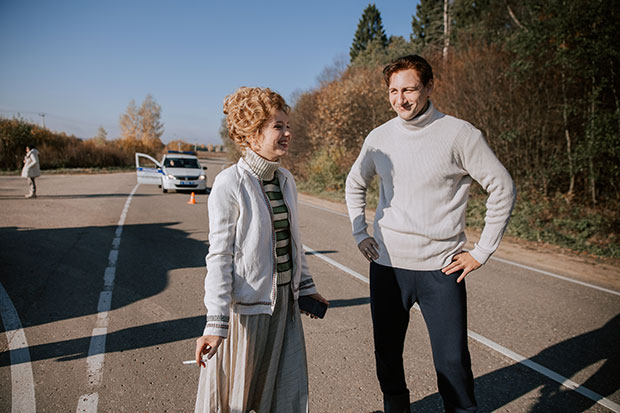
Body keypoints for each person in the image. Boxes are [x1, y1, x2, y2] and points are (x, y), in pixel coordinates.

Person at [345, 55, 516, 413]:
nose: (400, 99)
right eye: (393, 91)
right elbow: (355, 182)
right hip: (388, 266)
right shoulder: (379, 138)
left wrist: (481, 251)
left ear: (428, 87)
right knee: (387, 357)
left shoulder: (460, 134)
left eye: (409, 90)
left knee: (452, 363)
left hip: (441, 269)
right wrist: (360, 232)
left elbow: (502, 187)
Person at [194, 86, 329, 413]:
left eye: (287, 125)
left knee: (284, 392)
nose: (288, 133)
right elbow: (219, 257)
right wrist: (215, 323)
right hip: (248, 310)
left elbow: (293, 241)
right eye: (278, 126)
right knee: (238, 396)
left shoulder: (286, 180)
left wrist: (306, 288)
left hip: (284, 305)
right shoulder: (230, 183)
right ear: (252, 135)